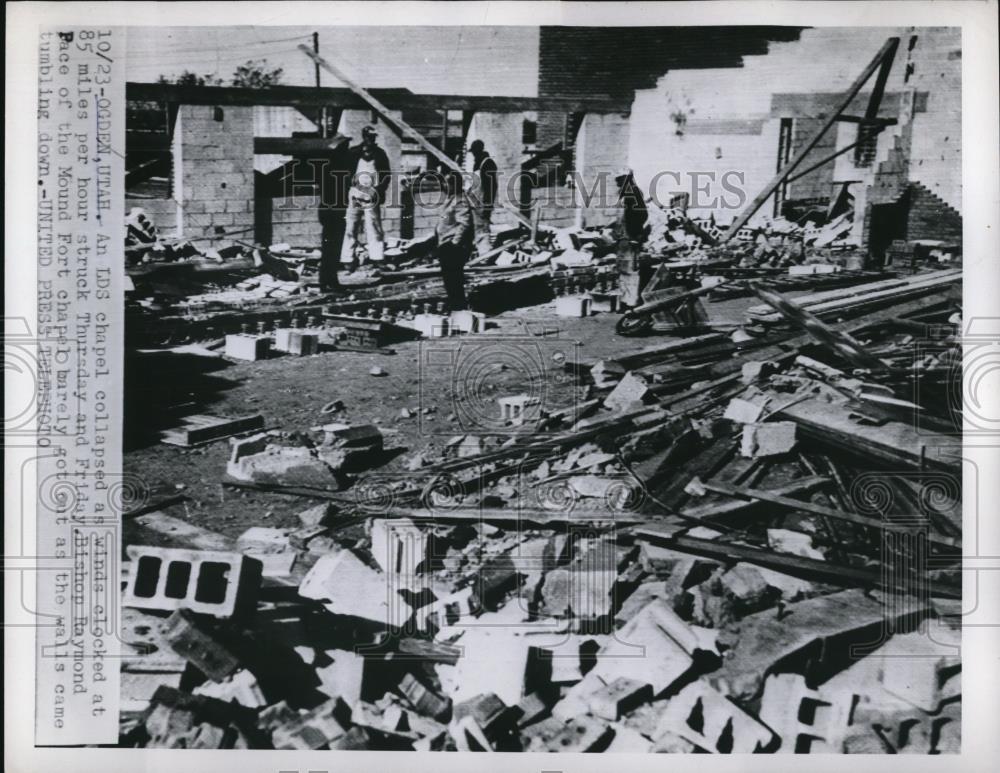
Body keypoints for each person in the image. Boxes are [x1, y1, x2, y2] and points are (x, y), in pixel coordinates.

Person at [342, 125, 391, 269]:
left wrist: (378, 190)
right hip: (355, 194)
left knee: (374, 226)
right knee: (351, 226)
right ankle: (347, 259)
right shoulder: (353, 153)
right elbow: (345, 174)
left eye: (373, 137)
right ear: (364, 137)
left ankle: (377, 257)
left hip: (372, 194)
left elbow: (386, 175)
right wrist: (347, 190)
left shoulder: (380, 154)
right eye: (369, 137)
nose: (371, 140)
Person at [315, 136, 354, 292]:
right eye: (345, 148)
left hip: (329, 210)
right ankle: (328, 282)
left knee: (331, 248)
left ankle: (328, 281)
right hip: (333, 211)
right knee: (332, 248)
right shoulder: (336, 168)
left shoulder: (328, 166)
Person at [435, 168, 476, 310]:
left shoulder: (460, 200)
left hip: (453, 247)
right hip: (445, 243)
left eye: (446, 183)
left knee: (454, 280)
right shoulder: (450, 198)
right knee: (449, 280)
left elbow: (465, 223)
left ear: (455, 184)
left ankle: (459, 307)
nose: (443, 186)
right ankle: (456, 306)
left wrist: (454, 243)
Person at [613, 168, 651, 309]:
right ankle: (624, 300)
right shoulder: (624, 195)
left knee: (631, 270)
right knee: (622, 270)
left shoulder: (633, 193)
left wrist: (636, 235)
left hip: (630, 238)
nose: (617, 184)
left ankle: (631, 302)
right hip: (622, 239)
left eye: (619, 180)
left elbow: (642, 215)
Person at [468, 139, 498, 256]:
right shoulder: (479, 163)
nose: (473, 155)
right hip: (475, 204)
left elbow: (491, 187)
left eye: (475, 152)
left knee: (482, 231)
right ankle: (479, 254)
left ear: (479, 150)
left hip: (482, 205)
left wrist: (488, 206)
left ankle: (485, 256)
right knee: (476, 231)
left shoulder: (488, 163)